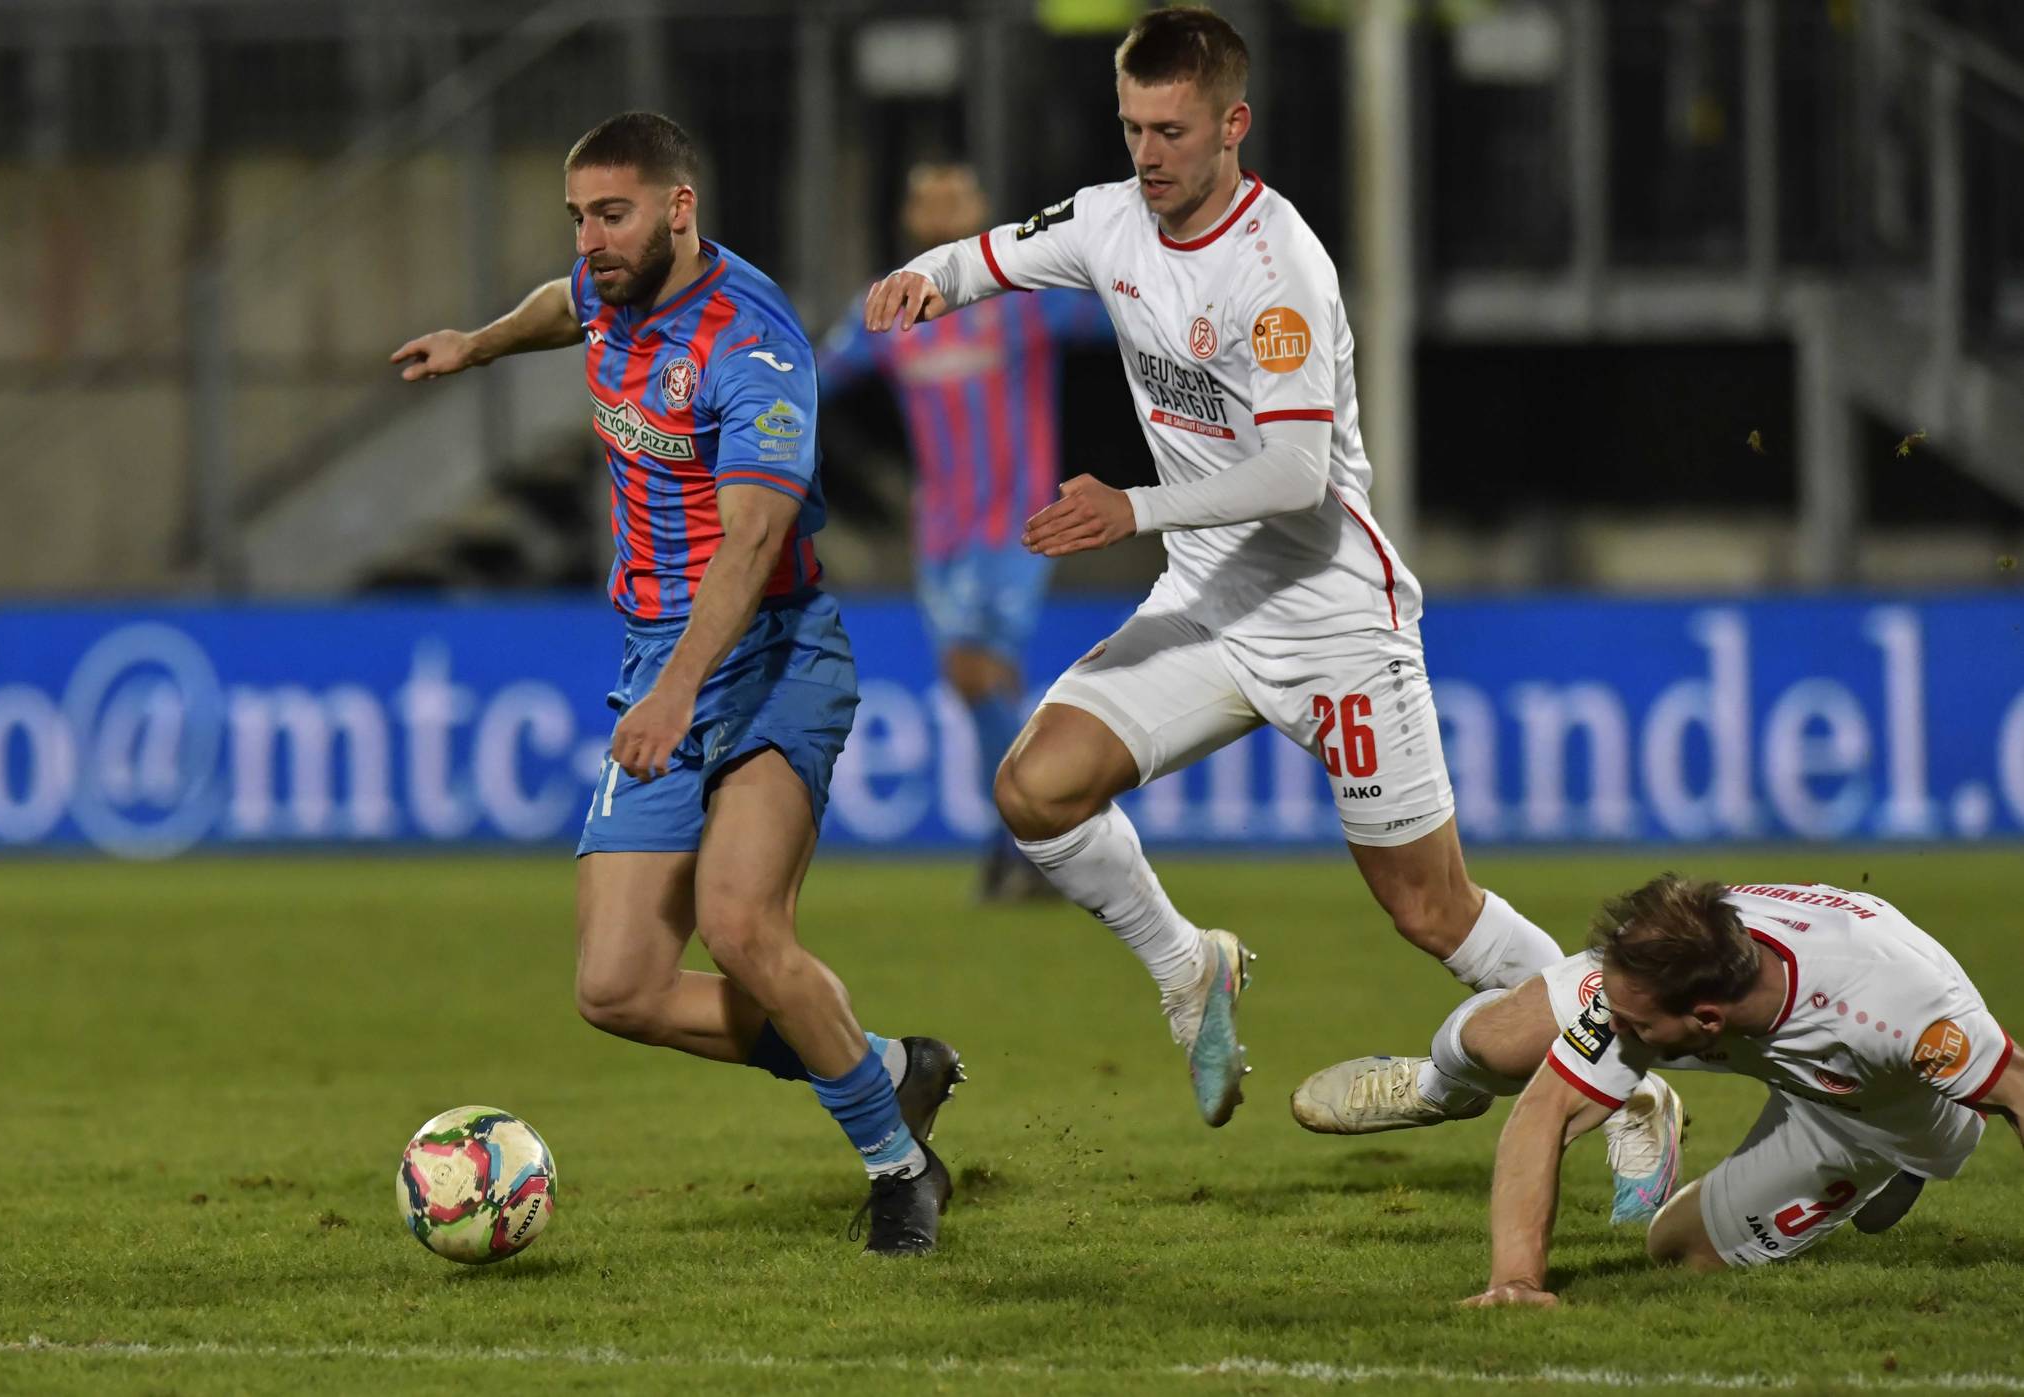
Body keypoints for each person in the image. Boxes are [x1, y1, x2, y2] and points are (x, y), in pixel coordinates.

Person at [862, 6, 1594, 1134]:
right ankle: (1187, 965)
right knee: (1035, 789)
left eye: (1172, 131)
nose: (1147, 155)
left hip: (1331, 617)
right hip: (1207, 605)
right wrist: (921, 276)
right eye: (1132, 128)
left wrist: (1132, 507)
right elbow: (990, 256)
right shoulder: (1110, 220)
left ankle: (1625, 1074)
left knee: (1430, 909)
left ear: (1232, 125)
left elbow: (1295, 474)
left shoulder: (1278, 265)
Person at [390, 111, 959, 1254]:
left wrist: (679, 691)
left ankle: (901, 1167)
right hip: (659, 658)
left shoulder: (752, 345)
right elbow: (562, 305)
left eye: (614, 214)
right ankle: (885, 1066)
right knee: (618, 986)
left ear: (680, 208)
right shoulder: (611, 287)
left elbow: (753, 540)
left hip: (771, 657)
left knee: (743, 926)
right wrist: (481, 343)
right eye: (579, 217)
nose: (591, 240)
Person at [1294, 875, 2020, 1305]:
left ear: (1705, 1021)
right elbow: (1546, 1108)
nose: (1612, 1023)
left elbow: (2018, 1089)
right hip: (1753, 1019)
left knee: (1679, 1250)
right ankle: (1439, 1084)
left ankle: (1902, 1160)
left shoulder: (1901, 1013)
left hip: (1870, 1105)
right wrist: (1516, 1281)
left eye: (1632, 1022)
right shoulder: (1676, 961)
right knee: (1501, 1041)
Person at [816, 161, 1113, 901]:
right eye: (929, 198)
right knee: (983, 680)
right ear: (910, 217)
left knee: (974, 668)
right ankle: (1033, 840)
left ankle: (1039, 838)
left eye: (957, 197)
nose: (943, 210)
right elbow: (817, 376)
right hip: (942, 531)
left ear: (981, 209)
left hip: (1019, 522)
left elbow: (1121, 315)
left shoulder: (1021, 300)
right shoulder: (886, 308)